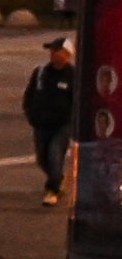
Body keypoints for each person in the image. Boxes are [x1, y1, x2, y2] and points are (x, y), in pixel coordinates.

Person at [32, 35, 80, 208]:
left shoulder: (73, 75)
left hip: (62, 125)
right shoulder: (40, 72)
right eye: (51, 50)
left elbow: (78, 100)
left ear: (67, 54)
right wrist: (32, 114)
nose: (52, 53)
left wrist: (74, 122)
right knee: (41, 158)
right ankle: (57, 178)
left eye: (56, 50)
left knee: (54, 154)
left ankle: (52, 189)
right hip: (41, 124)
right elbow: (30, 94)